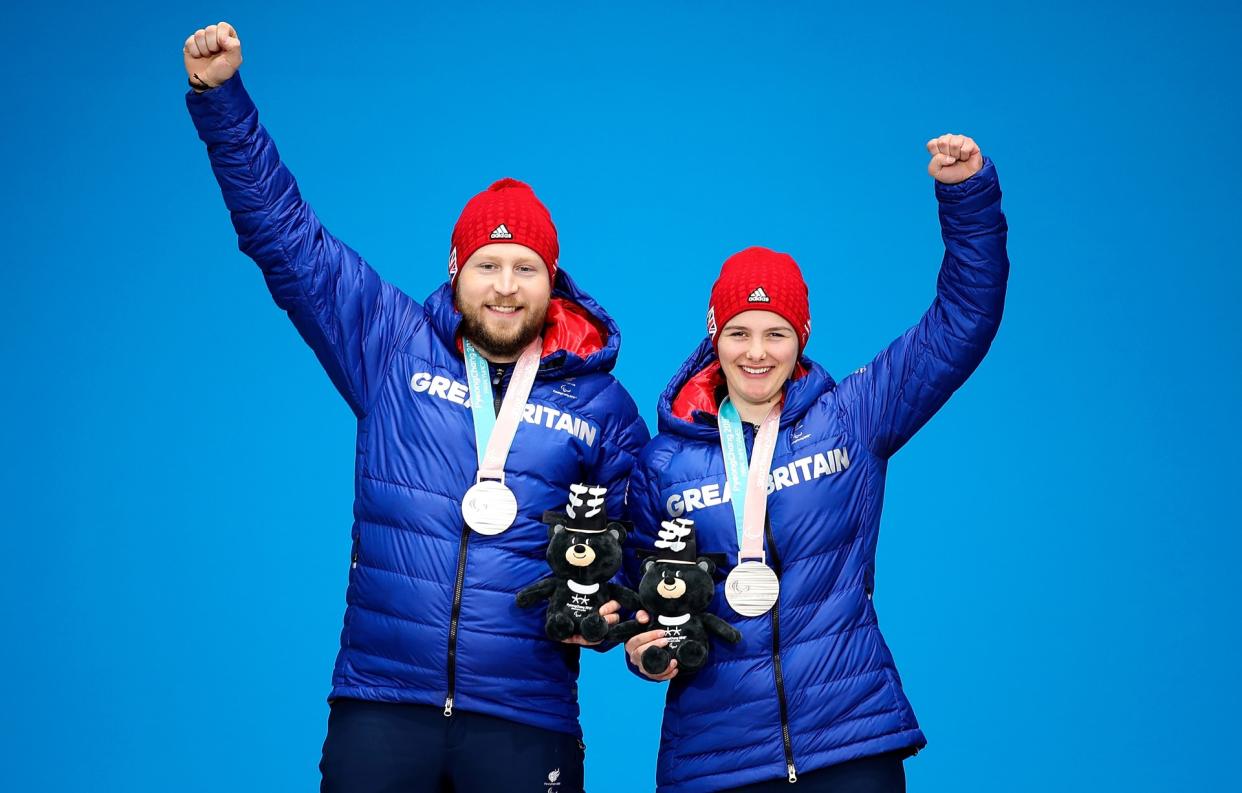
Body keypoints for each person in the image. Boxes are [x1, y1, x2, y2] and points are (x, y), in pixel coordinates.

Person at [182, 21, 649, 793]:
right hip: (381, 703)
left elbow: (633, 554)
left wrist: (614, 620)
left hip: (526, 716)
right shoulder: (391, 346)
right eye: (488, 264)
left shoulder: (602, 403)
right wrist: (222, 99)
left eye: (525, 267)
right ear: (456, 270)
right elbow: (284, 237)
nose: (505, 285)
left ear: (552, 279)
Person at [621, 135, 1008, 792]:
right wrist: (642, 647)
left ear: (802, 337)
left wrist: (967, 196)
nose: (756, 352)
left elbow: (963, 319)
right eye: (739, 332)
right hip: (716, 760)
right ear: (713, 333)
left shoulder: (853, 417)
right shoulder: (664, 463)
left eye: (776, 332)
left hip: (850, 740)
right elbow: (638, 595)